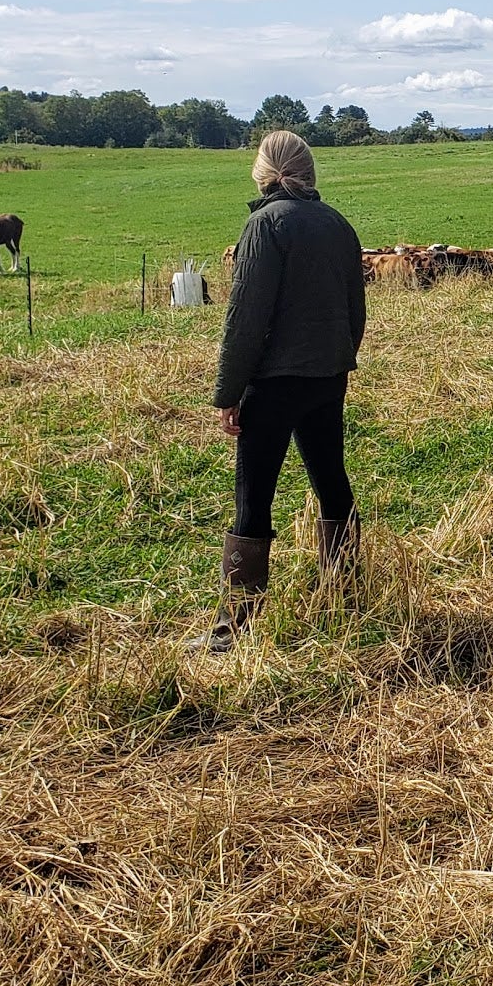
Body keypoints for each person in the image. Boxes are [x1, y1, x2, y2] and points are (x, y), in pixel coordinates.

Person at [204, 130, 366, 653]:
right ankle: (343, 591)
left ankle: (234, 627)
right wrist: (338, 360)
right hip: (328, 377)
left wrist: (229, 391)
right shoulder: (338, 224)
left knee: (253, 498)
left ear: (262, 171)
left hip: (274, 383)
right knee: (331, 481)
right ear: (308, 170)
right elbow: (354, 310)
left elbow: (244, 319)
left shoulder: (263, 225)